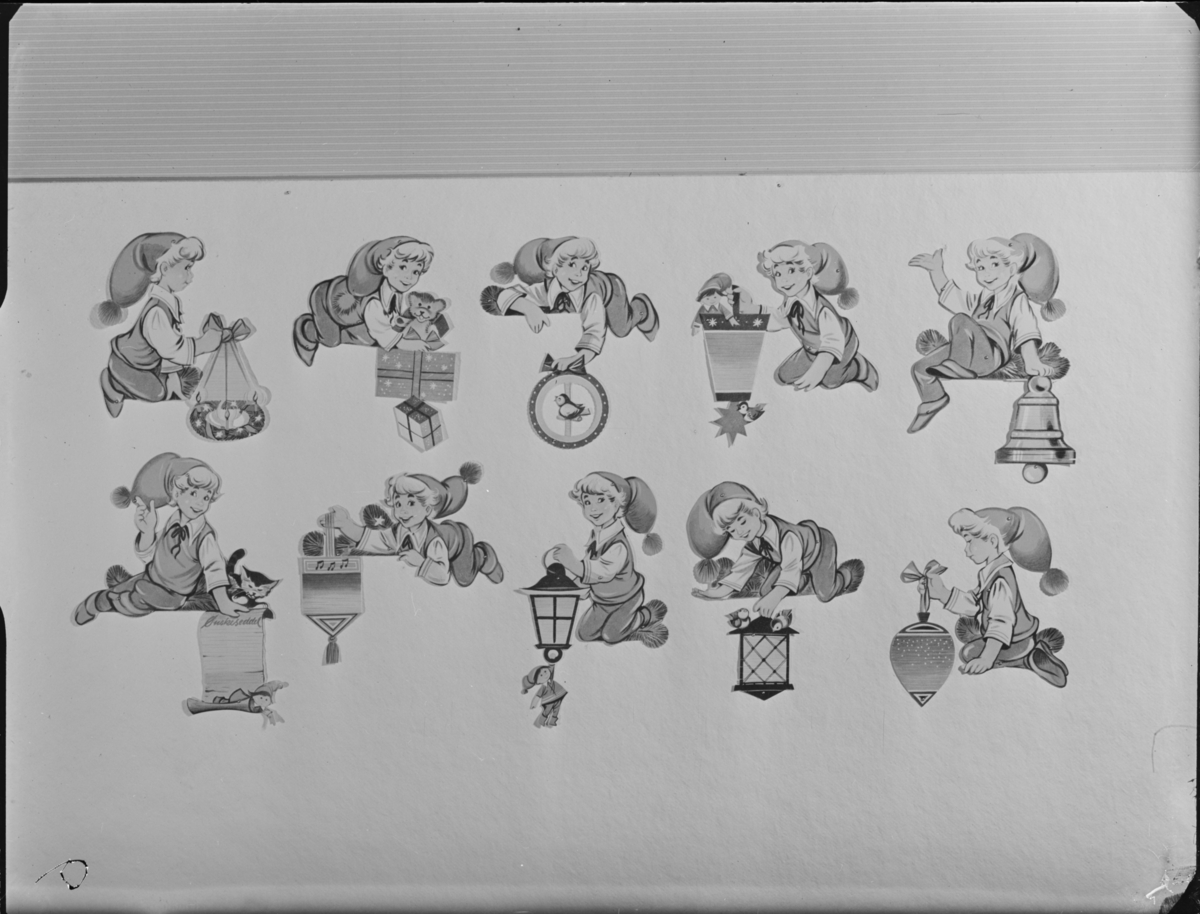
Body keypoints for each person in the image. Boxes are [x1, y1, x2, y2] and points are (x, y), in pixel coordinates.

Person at [906, 234, 1066, 433]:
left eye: (995, 264)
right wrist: (936, 271)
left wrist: (1032, 361)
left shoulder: (1017, 300)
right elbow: (955, 298)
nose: (986, 273)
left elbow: (1026, 330)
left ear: (1012, 269)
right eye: (981, 267)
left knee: (960, 320)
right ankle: (933, 399)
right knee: (921, 367)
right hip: (968, 350)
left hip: (990, 356)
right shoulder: (984, 298)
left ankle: (960, 365)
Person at [74, 453, 245, 624]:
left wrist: (223, 602)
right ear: (177, 494)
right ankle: (92, 605)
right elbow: (149, 556)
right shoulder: (172, 523)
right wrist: (147, 531)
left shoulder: (204, 536)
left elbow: (214, 568)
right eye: (193, 493)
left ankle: (122, 601)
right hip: (149, 577)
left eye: (206, 497)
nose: (200, 503)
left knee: (141, 596)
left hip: (174, 594)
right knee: (123, 589)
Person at [920, 506, 1069, 688]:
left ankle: (1027, 658)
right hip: (1010, 638)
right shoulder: (991, 573)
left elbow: (1001, 621)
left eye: (969, 541)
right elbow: (973, 604)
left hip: (1015, 641)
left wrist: (986, 659)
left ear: (992, 540)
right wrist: (941, 593)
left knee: (968, 654)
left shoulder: (1000, 579)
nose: (966, 550)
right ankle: (1030, 652)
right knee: (970, 650)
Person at [480, 236, 659, 371]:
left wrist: (575, 359)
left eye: (585, 268)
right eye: (572, 265)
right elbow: (502, 295)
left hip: (611, 289)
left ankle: (641, 308)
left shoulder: (592, 297)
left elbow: (595, 334)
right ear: (555, 269)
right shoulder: (546, 289)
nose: (579, 274)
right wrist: (528, 308)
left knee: (621, 329)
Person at [689, 482, 863, 619]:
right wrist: (717, 592)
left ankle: (846, 574)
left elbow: (791, 567)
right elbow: (740, 572)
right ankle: (802, 579)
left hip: (819, 548)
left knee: (825, 594)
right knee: (766, 591)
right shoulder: (754, 543)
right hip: (793, 561)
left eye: (742, 521)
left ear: (756, 513)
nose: (739, 532)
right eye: (731, 530)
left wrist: (775, 597)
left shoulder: (787, 536)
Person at [95, 234, 225, 417]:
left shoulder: (168, 302)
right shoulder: (157, 311)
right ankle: (113, 384)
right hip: (127, 366)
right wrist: (202, 345)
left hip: (146, 363)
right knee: (157, 393)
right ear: (164, 268)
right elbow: (171, 348)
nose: (191, 276)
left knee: (183, 381)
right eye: (186, 268)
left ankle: (162, 382)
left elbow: (170, 342)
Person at [318, 463, 503, 587]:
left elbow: (443, 576)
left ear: (428, 510)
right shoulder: (400, 531)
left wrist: (421, 561)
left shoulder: (434, 541)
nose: (402, 511)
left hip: (459, 542)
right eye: (398, 504)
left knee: (464, 577)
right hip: (447, 533)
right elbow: (377, 540)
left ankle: (486, 557)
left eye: (411, 503)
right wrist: (345, 524)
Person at [544, 472, 668, 648]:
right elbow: (588, 570)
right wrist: (570, 588)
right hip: (602, 601)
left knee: (610, 635)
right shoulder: (597, 537)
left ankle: (645, 615)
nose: (593, 508)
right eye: (587, 502)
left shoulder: (618, 545)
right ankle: (624, 625)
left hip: (626, 599)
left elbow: (600, 572)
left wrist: (571, 562)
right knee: (584, 634)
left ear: (617, 504)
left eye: (600, 500)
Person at [758, 240, 879, 393]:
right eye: (778, 274)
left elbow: (832, 341)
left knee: (830, 381)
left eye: (791, 271)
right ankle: (817, 362)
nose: (784, 280)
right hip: (813, 349)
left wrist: (818, 371)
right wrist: (747, 317)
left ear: (808, 273)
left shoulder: (822, 310)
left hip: (842, 344)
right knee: (784, 376)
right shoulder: (791, 302)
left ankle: (859, 367)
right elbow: (778, 319)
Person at [293, 236, 436, 365]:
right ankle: (306, 328)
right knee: (331, 341)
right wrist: (406, 343)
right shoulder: (374, 302)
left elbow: (389, 318)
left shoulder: (395, 291)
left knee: (367, 338)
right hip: (324, 301)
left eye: (416, 271)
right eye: (403, 267)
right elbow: (382, 333)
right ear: (386, 268)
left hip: (353, 315)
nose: (409, 277)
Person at [521, 664, 567, 728]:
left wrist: (552, 663)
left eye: (545, 671)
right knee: (547, 711)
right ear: (538, 682)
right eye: (541, 675)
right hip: (549, 701)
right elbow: (538, 695)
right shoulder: (543, 686)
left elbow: (552, 668)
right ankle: (541, 721)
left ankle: (552, 722)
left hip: (558, 697)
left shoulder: (550, 680)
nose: (545, 674)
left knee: (556, 710)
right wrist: (534, 704)